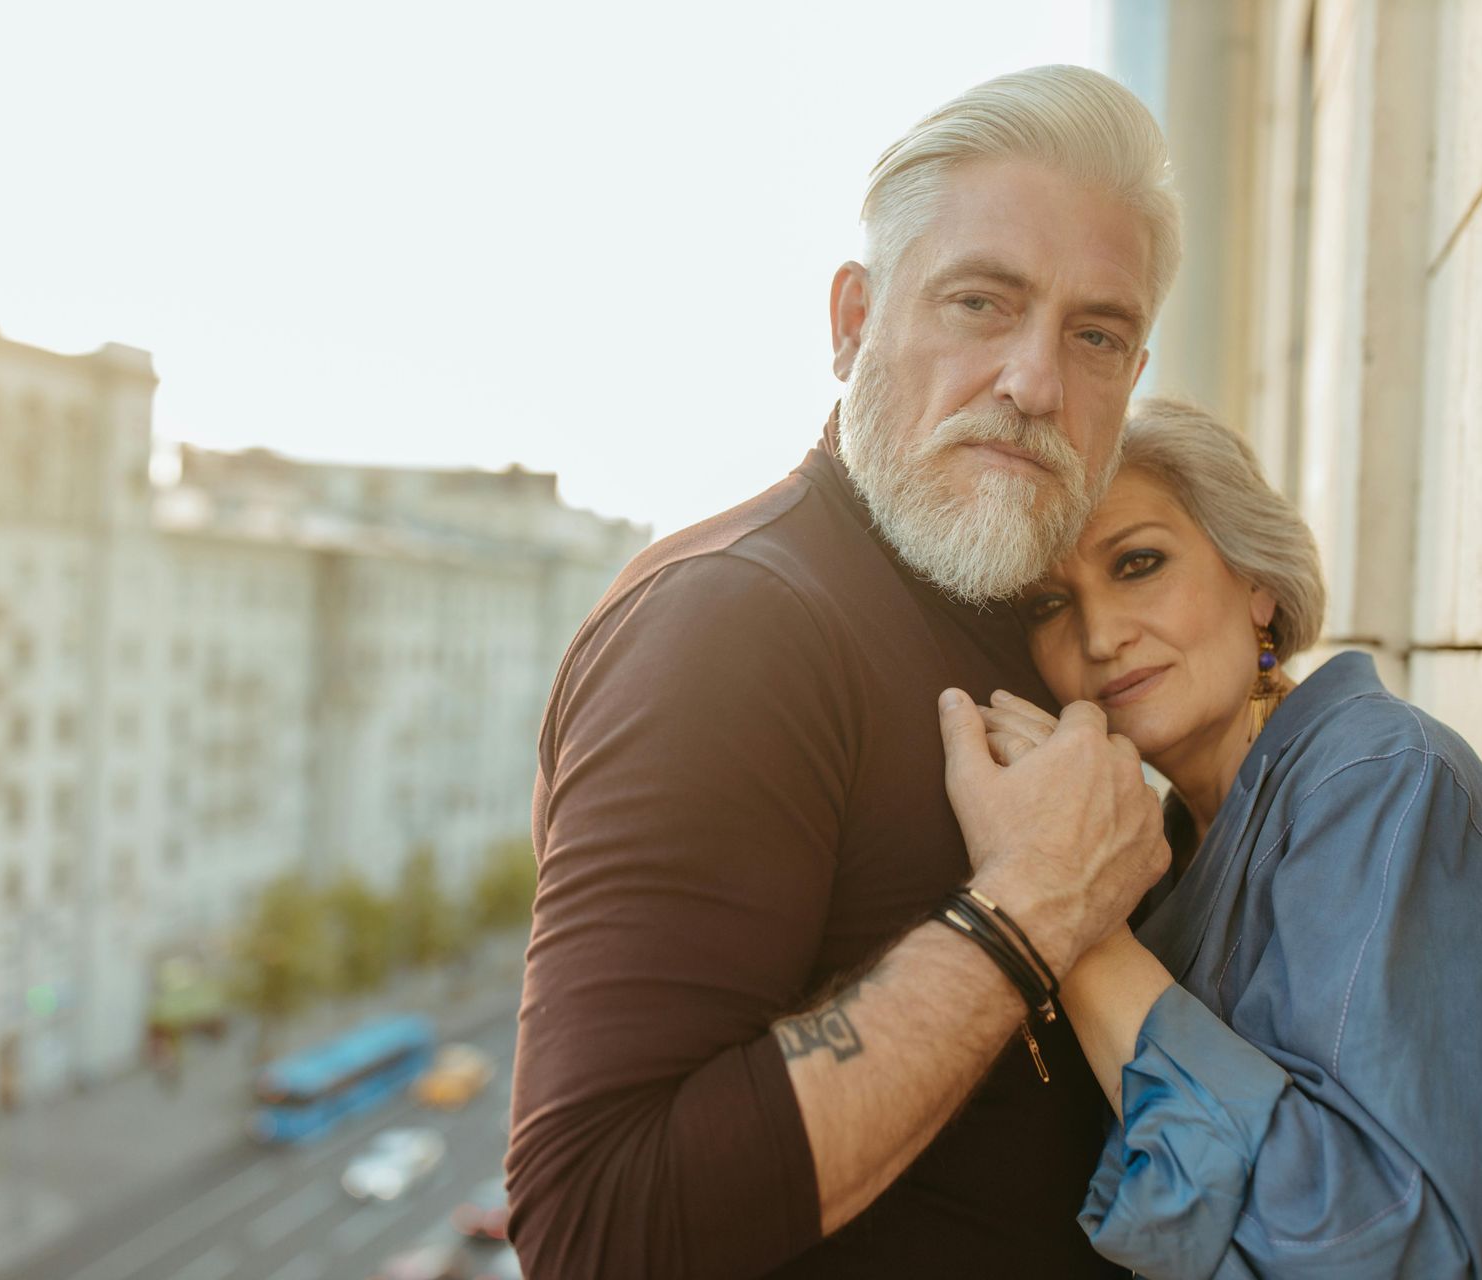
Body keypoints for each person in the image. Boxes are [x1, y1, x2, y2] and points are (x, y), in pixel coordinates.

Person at [505, 68, 1182, 1278]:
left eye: (1097, 335)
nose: (1035, 384)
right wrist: (1030, 910)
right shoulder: (732, 623)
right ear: (853, 320)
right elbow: (597, 1223)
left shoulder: (1032, 617)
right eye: (982, 302)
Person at [961, 398, 1482, 1279]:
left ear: (1255, 580)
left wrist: (1067, 920)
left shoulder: (1384, 786)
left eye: (1139, 563)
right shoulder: (1169, 850)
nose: (1101, 636)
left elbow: (1387, 1255)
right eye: (1049, 603)